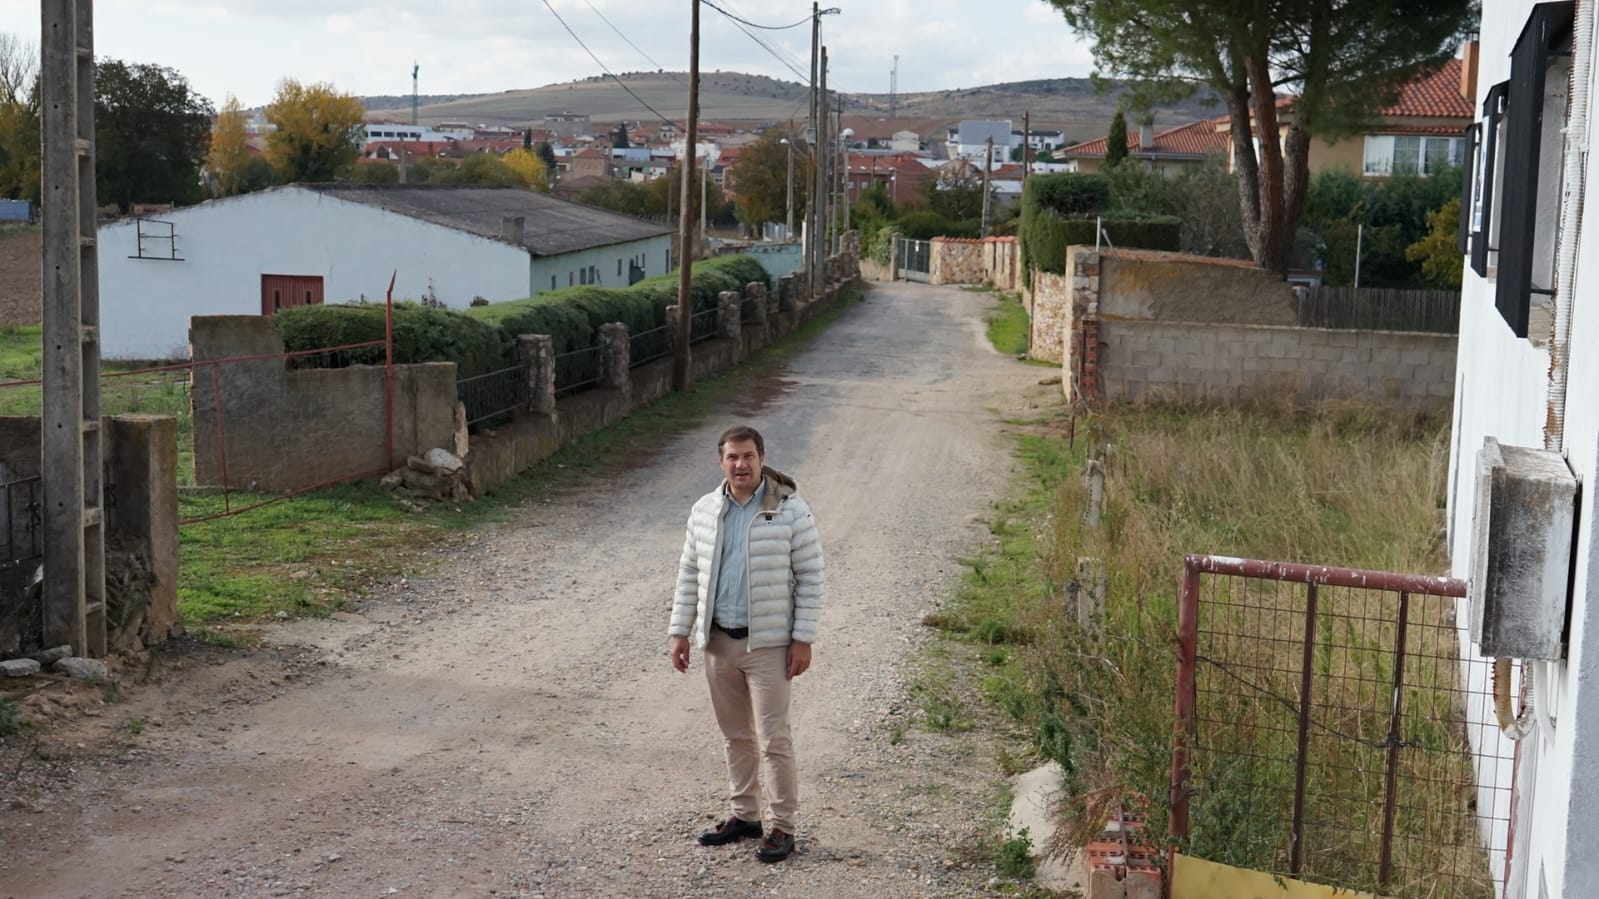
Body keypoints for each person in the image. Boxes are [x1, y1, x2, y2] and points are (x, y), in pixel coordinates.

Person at [668, 425, 824, 863]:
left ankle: (783, 826)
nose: (740, 464)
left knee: (775, 738)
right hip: (718, 643)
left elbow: (811, 575)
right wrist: (680, 632)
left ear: (761, 459)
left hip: (770, 647)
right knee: (735, 735)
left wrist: (803, 639)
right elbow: (689, 574)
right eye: (732, 457)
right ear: (721, 462)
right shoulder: (704, 510)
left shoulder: (790, 510)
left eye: (748, 456)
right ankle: (745, 815)